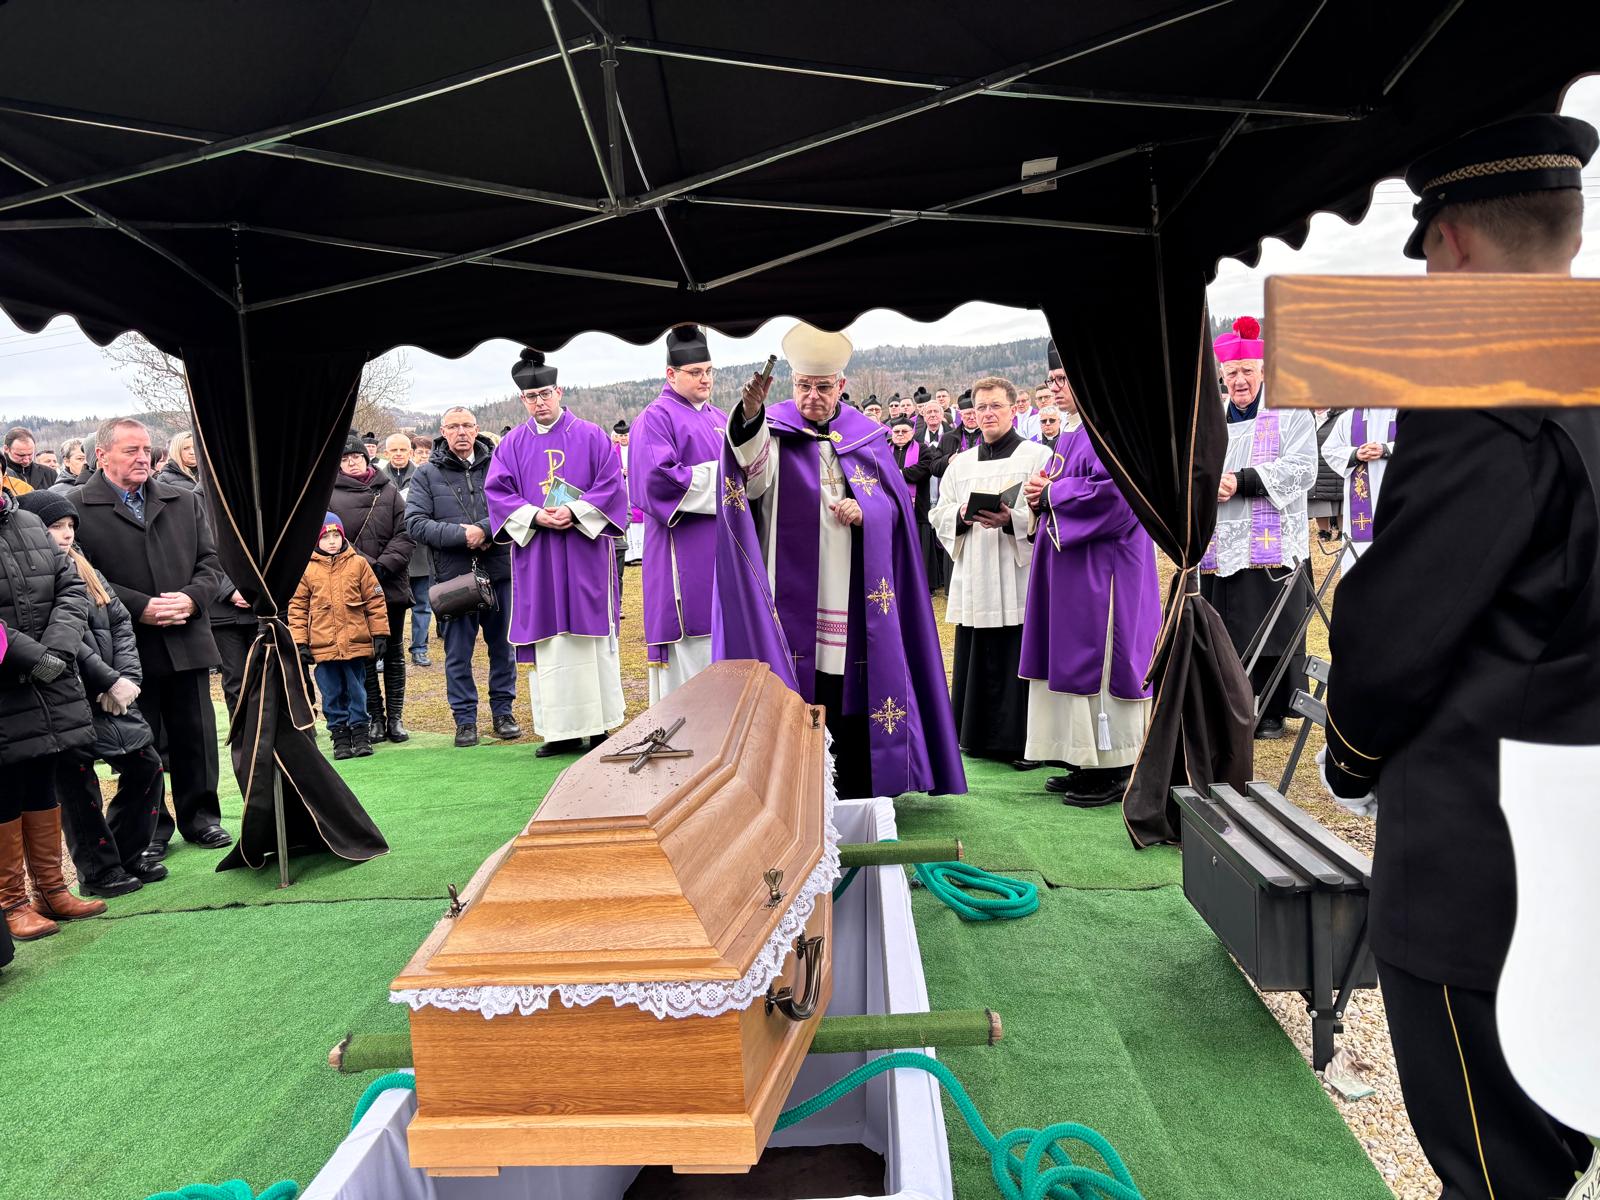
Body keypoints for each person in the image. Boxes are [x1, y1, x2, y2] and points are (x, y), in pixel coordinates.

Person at [1322, 113, 1599, 1200]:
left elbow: (1400, 628)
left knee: (1496, 1168)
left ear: (1452, 242)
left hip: (1487, 855)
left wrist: (1347, 754)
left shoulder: (1485, 389)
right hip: (1577, 828)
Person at [715, 321, 965, 800]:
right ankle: (796, 787)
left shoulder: (866, 436)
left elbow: (894, 506)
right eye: (804, 386)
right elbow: (751, 476)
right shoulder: (774, 431)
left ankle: (856, 781)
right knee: (800, 680)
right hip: (791, 591)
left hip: (853, 588)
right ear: (792, 384)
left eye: (823, 387)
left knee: (851, 677)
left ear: (841, 385)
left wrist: (866, 510)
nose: (812, 396)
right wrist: (748, 416)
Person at [67, 417, 231, 855]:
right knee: (143, 742)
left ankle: (202, 819)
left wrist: (192, 599)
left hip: (187, 636)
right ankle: (151, 831)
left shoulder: (183, 499)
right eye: (131, 451)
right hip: (128, 647)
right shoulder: (77, 507)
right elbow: (82, 575)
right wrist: (142, 606)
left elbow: (210, 562)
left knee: (196, 737)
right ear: (102, 455)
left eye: (146, 450)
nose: (143, 458)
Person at [1020, 352, 1161, 806]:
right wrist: (1039, 495)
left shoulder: (1114, 428)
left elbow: (1120, 496)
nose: (1055, 388)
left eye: (1064, 379)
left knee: (1102, 659)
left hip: (1108, 569)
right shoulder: (1071, 431)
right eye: (1051, 379)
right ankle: (1083, 758)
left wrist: (1053, 492)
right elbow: (1066, 486)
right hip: (1073, 566)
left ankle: (1115, 764)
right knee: (1070, 654)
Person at [19, 490, 167, 898]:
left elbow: (120, 622)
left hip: (113, 692)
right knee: (77, 786)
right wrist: (107, 680)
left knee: (147, 766)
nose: (66, 534)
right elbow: (66, 640)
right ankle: (98, 870)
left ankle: (127, 851)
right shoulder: (32, 577)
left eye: (70, 526)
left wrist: (128, 679)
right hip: (66, 696)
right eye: (55, 526)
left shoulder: (86, 568)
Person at [485, 349, 628, 756]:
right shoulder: (511, 445)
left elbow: (612, 485)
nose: (540, 402)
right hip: (539, 556)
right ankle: (560, 731)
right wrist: (534, 515)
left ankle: (599, 727)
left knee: (589, 637)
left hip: (585, 553)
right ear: (522, 400)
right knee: (552, 642)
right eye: (532, 397)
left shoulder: (592, 435)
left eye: (545, 393)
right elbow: (497, 493)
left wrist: (575, 510)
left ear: (559, 391)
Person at [1197, 316, 1317, 740]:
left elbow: (1303, 468)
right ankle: (1232, 700)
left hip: (1271, 538)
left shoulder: (1290, 412)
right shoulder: (1210, 417)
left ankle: (1271, 709)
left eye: (1247, 371)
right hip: (1222, 538)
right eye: (1231, 373)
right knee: (1227, 622)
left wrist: (1243, 481)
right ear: (1222, 376)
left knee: (1272, 622)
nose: (1240, 381)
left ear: (1264, 370)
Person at [0, 486, 105, 940]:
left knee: (42, 781)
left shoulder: (26, 522)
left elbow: (71, 587)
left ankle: (50, 889)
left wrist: (57, 652)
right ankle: (11, 902)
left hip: (48, 681)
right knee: (4, 790)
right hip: (7, 683)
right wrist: (33, 657)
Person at [930, 377, 1051, 768]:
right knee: (977, 651)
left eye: (996, 406)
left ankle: (1024, 742)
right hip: (976, 570)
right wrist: (961, 515)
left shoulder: (1037, 456)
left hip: (1016, 570)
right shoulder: (961, 464)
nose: (987, 414)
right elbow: (938, 513)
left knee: (1018, 650)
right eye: (980, 407)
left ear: (1013, 409)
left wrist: (1011, 519)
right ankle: (975, 736)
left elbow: (1048, 512)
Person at [406, 407, 519, 747]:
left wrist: (484, 530)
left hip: (499, 572)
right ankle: (465, 720)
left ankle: (503, 713)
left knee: (503, 648)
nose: (461, 432)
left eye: (467, 425)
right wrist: (462, 535)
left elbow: (515, 507)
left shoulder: (499, 465)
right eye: (453, 426)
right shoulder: (426, 474)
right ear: (443, 431)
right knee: (457, 653)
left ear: (477, 428)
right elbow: (415, 523)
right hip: (453, 576)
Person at [628, 326, 729, 702]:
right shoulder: (655, 418)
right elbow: (657, 480)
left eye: (709, 371)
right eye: (695, 372)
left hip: (723, 550)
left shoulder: (721, 418)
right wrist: (726, 479)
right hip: (681, 553)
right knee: (693, 658)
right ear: (671, 374)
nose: (705, 379)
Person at [329, 432, 415, 744]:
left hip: (391, 582)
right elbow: (333, 538)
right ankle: (374, 717)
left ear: (366, 458)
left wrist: (384, 565)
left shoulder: (388, 490)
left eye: (356, 456)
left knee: (393, 651)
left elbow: (405, 531)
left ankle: (396, 717)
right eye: (345, 458)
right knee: (364, 653)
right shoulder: (330, 495)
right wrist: (366, 566)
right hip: (353, 585)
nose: (352, 462)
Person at [289, 513, 389, 759]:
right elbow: (298, 608)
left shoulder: (358, 564)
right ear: (316, 540)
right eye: (326, 537)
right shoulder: (307, 569)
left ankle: (361, 733)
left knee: (357, 691)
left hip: (354, 644)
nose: (332, 541)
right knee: (331, 693)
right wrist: (300, 643)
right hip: (323, 647)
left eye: (336, 536)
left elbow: (375, 601)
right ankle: (340, 736)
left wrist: (379, 634)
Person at [1321, 404, 1396, 572]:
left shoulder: (1407, 414)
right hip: (1363, 502)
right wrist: (1355, 454)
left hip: (1397, 491)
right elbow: (1329, 450)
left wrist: (1386, 449)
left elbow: (1424, 443)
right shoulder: (1348, 418)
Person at [403, 434, 437, 663]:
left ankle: (419, 647)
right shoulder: (385, 477)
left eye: (427, 452)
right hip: (395, 554)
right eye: (420, 452)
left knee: (423, 604)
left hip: (422, 551)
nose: (424, 456)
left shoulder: (431, 477)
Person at [915, 394, 951, 592]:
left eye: (936, 411)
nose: (932, 415)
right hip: (925, 492)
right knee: (927, 535)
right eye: (928, 412)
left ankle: (947, 578)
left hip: (945, 489)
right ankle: (932, 579)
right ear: (923, 415)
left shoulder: (952, 436)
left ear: (942, 413)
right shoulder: (916, 438)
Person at [1308, 409, 1346, 545]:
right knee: (1319, 500)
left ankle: (1342, 531)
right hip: (1316, 466)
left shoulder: (1341, 416)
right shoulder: (1308, 417)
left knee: (1339, 501)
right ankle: (1324, 531)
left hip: (1335, 466)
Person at [615, 420, 645, 567]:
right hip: (623, 487)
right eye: (621, 436)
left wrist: (633, 470)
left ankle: (641, 553)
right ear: (617, 437)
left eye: (626, 435)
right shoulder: (613, 451)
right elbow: (611, 468)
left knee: (639, 517)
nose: (623, 438)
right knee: (627, 518)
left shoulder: (637, 448)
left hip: (636, 486)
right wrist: (622, 471)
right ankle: (630, 554)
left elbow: (643, 464)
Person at [3, 426, 58, 490]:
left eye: (30, 454)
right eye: (21, 455)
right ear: (6, 449)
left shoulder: (49, 474)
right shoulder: (2, 474)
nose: (26, 460)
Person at [940, 391, 982, 460]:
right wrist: (948, 460)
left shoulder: (991, 436)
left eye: (975, 413)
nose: (972, 417)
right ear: (961, 416)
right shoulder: (947, 438)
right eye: (968, 413)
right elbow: (935, 464)